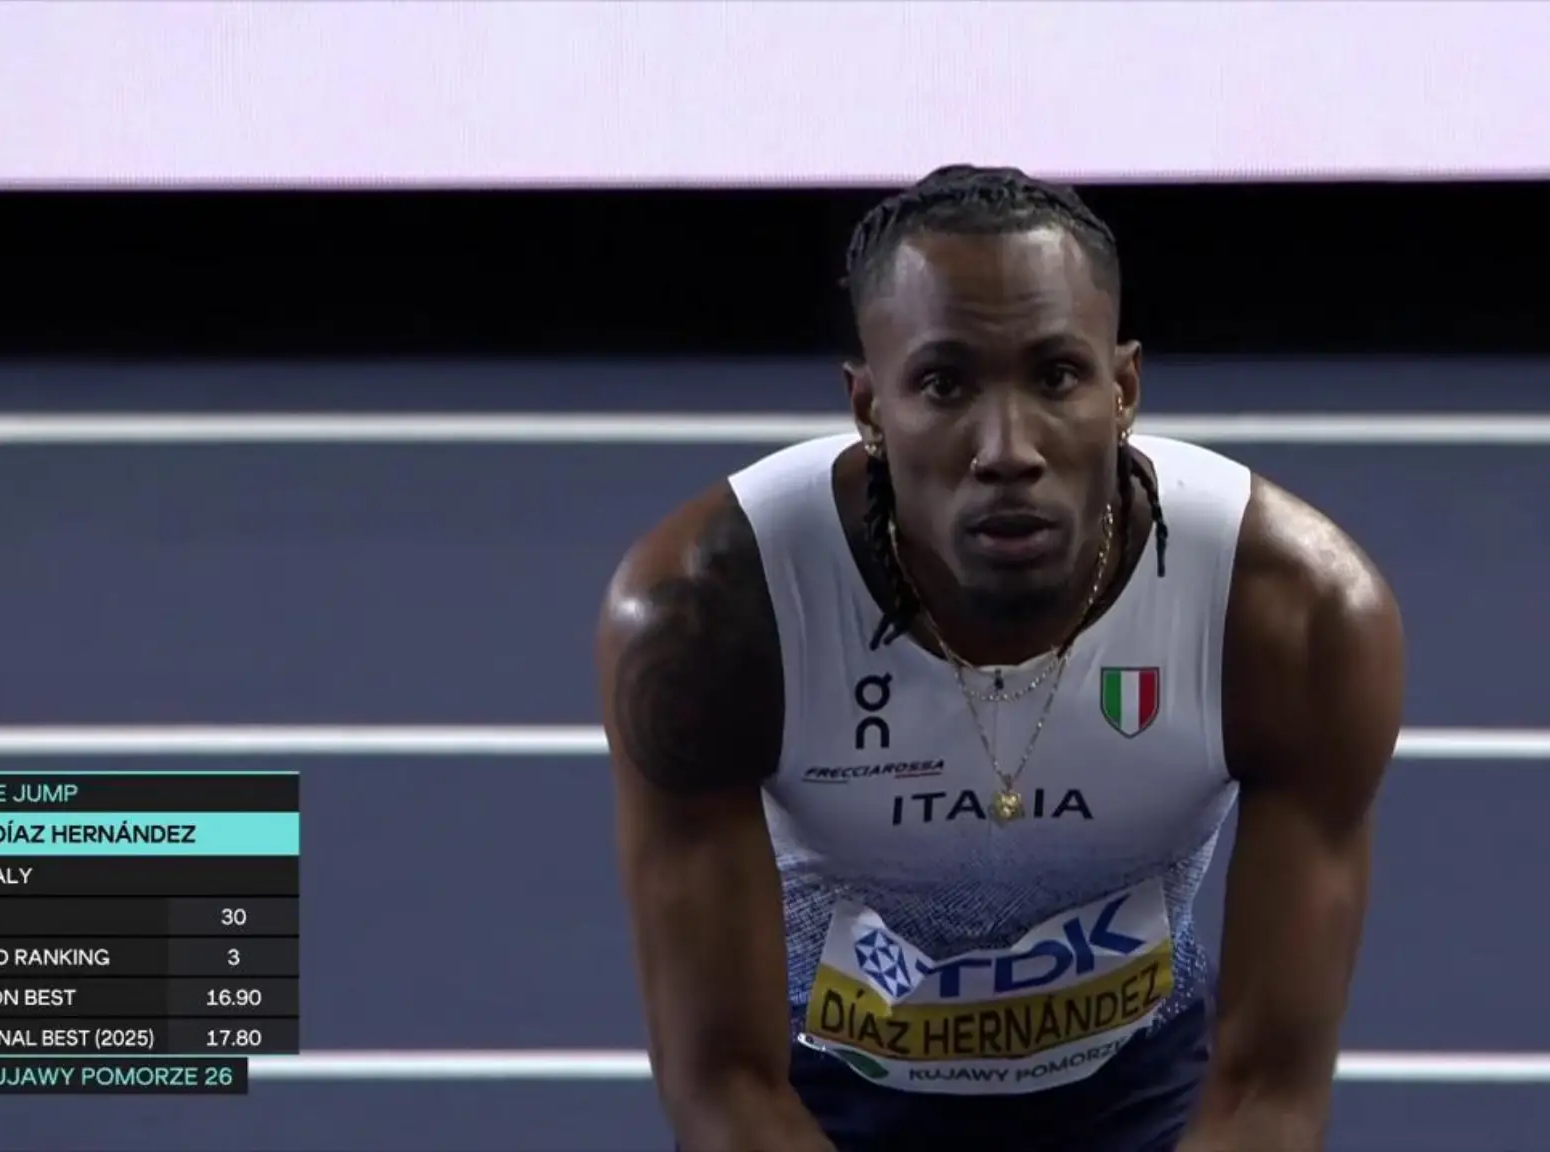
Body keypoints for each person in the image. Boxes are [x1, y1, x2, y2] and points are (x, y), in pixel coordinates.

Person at [596, 165, 1404, 1152]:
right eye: (944, 384)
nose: (1007, 448)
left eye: (1055, 376)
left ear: (1122, 390)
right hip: (825, 1098)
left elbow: (1269, 1089)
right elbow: (724, 1083)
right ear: (868, 408)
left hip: (1140, 1097)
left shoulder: (1290, 616)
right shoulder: (709, 618)